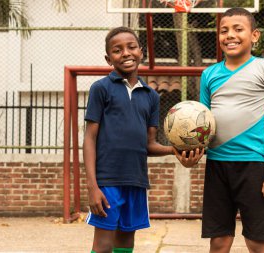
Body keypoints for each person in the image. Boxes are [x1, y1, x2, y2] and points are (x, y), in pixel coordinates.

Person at [83, 26, 203, 253]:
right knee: (103, 245)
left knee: (126, 241)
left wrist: (174, 150)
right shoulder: (100, 89)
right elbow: (90, 138)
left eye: (131, 47)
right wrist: (92, 186)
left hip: (136, 180)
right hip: (107, 180)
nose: (126, 53)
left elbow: (149, 144)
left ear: (141, 52)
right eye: (117, 50)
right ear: (109, 59)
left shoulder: (151, 95)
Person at [199, 7, 264, 253]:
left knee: (257, 242)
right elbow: (201, 125)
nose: (230, 35)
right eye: (223, 30)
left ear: (255, 35)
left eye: (238, 29)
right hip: (216, 166)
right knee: (218, 242)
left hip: (253, 166)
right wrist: (191, 152)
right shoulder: (209, 74)